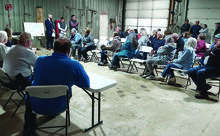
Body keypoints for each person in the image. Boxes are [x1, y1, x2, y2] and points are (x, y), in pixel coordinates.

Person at [23, 37, 90, 135]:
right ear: (69, 51)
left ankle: (28, 129)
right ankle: (53, 112)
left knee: (29, 96)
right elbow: (85, 84)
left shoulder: (40, 60)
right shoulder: (75, 65)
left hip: (35, 104)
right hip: (60, 105)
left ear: (53, 49)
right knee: (68, 90)